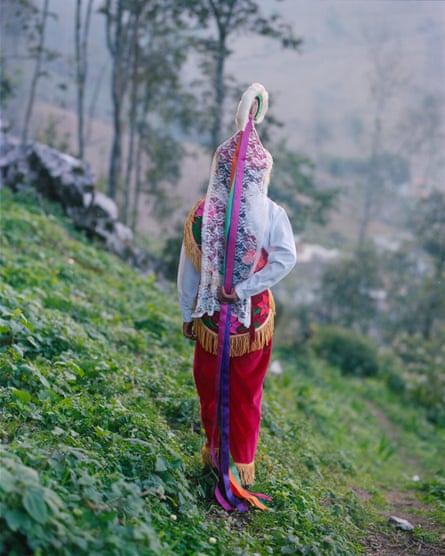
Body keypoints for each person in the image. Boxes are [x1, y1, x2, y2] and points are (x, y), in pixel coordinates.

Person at [177, 83, 296, 509]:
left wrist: (190, 313)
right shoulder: (272, 212)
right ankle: (233, 468)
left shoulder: (202, 212)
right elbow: (284, 259)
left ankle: (224, 466)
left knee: (215, 388)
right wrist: (245, 290)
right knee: (240, 393)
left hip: (216, 319)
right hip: (251, 320)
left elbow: (187, 274)